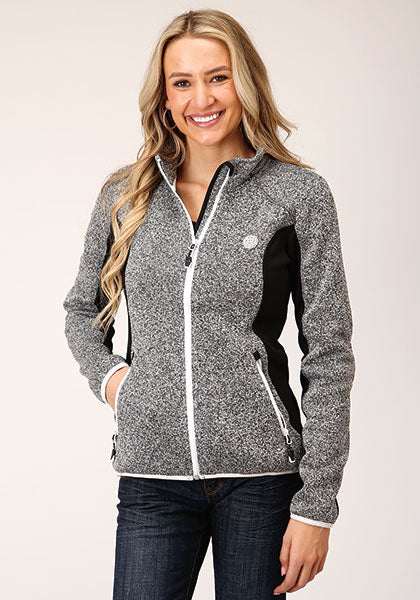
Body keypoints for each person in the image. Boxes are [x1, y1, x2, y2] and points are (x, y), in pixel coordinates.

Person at [62, 8, 356, 599]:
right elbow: (81, 312)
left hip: (262, 479)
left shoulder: (298, 195)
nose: (202, 98)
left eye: (218, 77)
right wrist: (118, 384)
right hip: (152, 478)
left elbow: (329, 354)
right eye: (183, 82)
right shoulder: (125, 195)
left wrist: (317, 506)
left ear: (245, 82)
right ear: (165, 97)